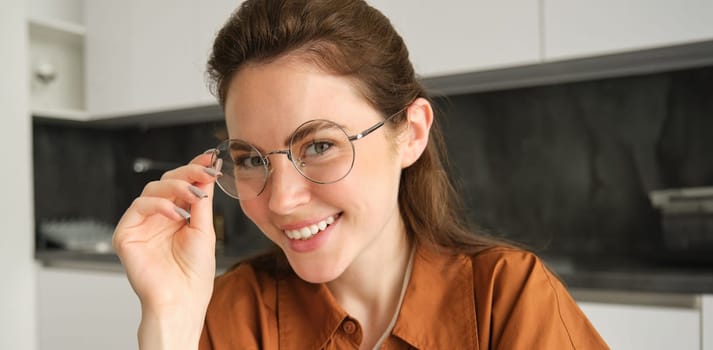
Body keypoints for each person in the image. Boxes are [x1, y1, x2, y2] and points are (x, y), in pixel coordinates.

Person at [112, 0, 609, 348]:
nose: (282, 200)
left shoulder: (508, 298)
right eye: (251, 159)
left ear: (411, 134)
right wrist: (169, 321)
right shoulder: (229, 316)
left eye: (321, 145)